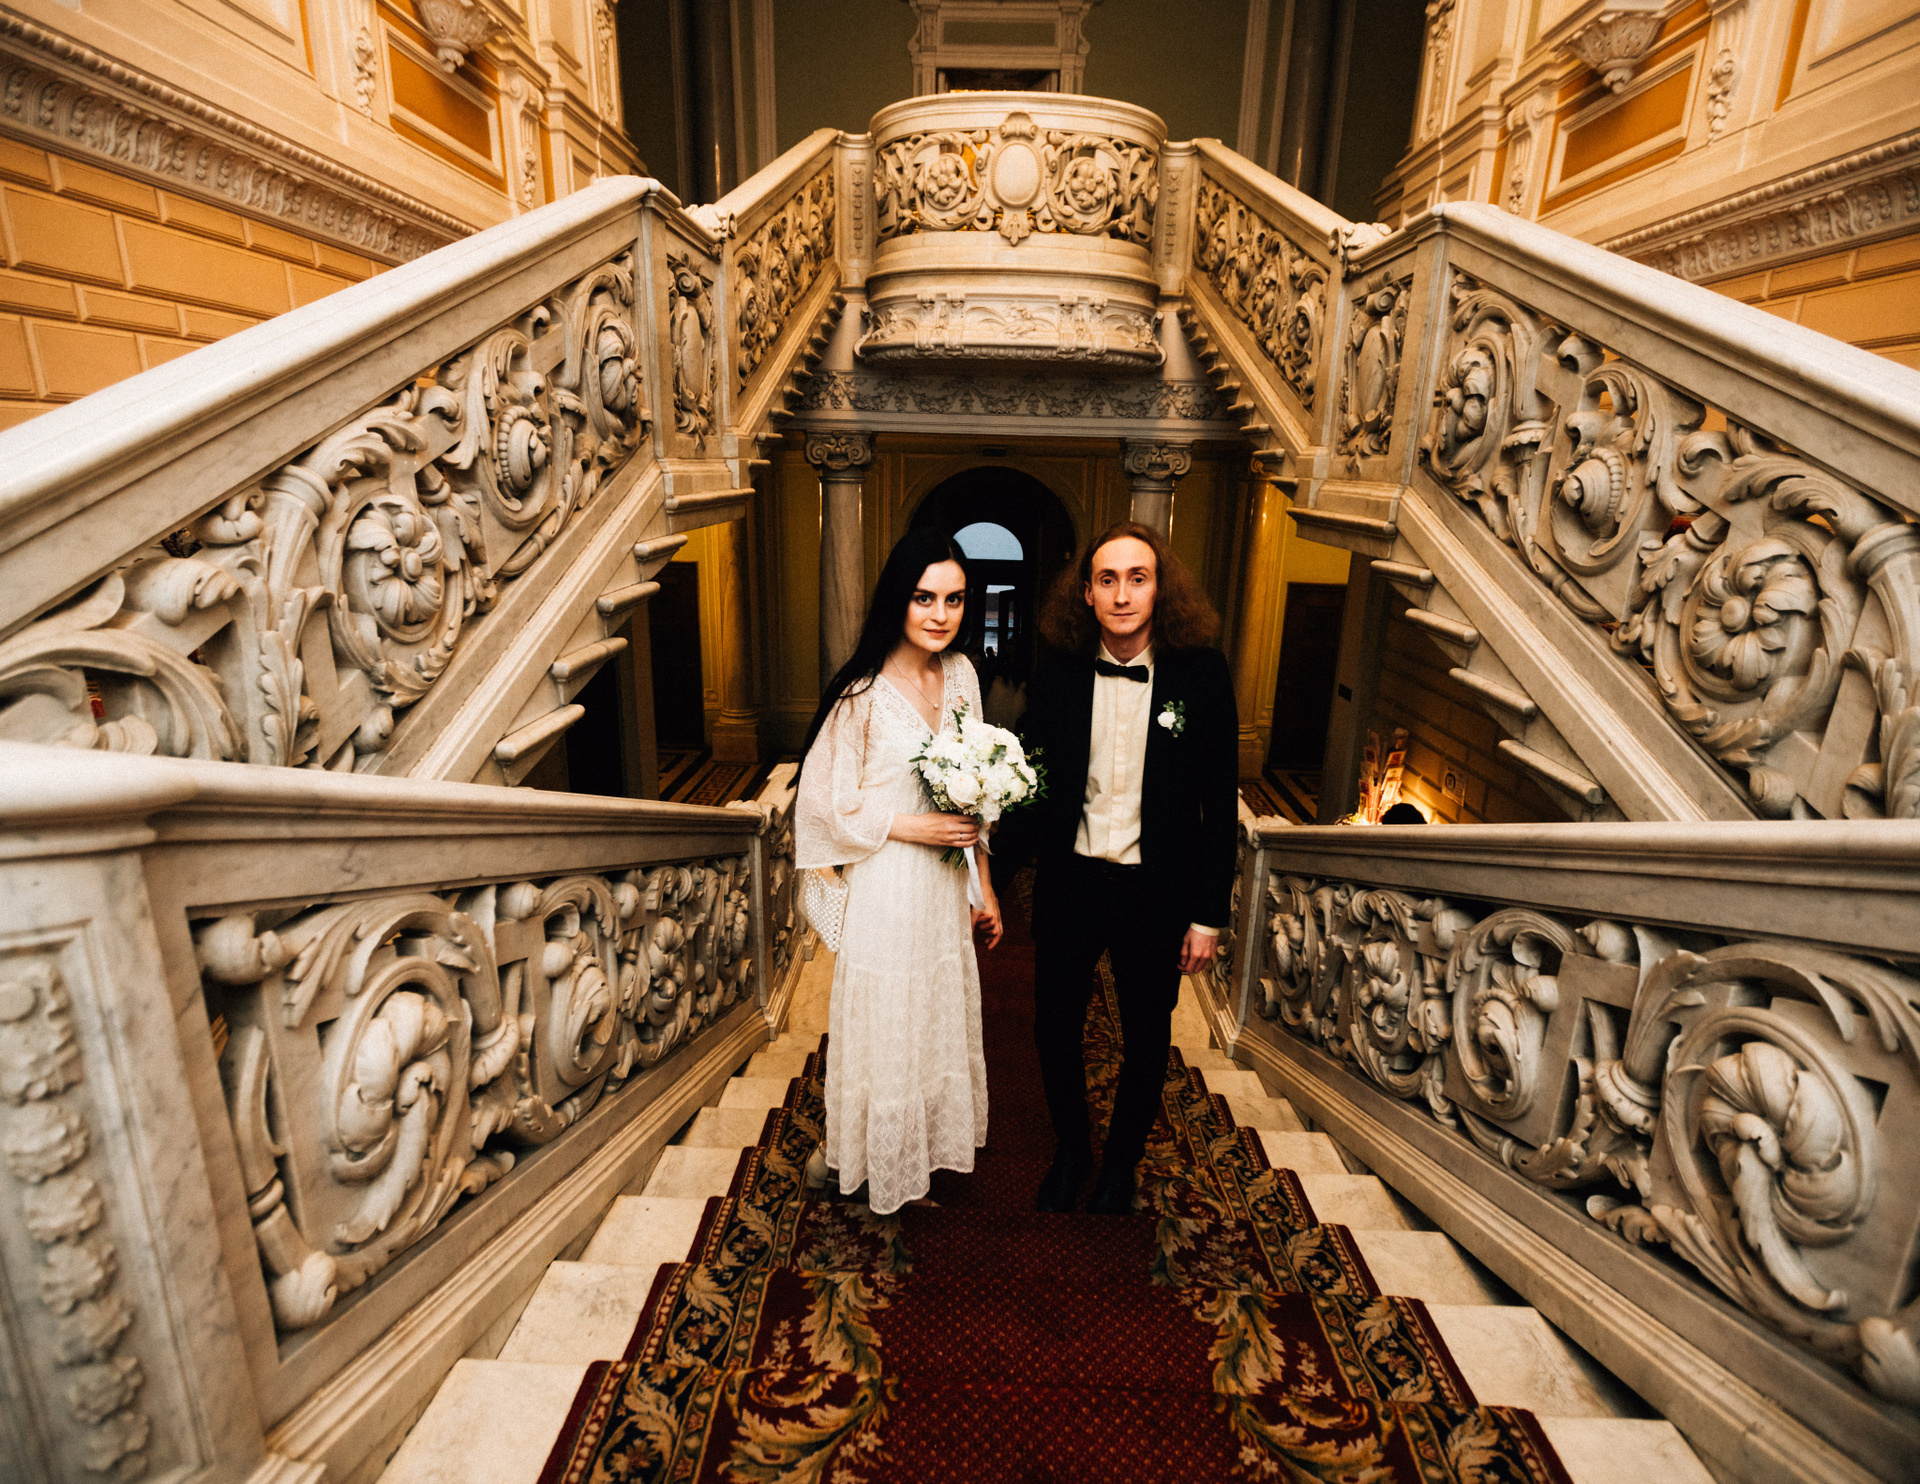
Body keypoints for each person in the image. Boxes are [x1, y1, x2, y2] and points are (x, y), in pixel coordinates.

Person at [1017, 521, 1238, 1215]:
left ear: (1159, 588)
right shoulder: (1058, 670)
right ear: (1085, 593)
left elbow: (1219, 802)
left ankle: (1121, 1163)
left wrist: (1208, 915)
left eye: (1137, 579)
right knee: (1053, 1026)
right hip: (1072, 882)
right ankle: (1072, 1150)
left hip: (1156, 891)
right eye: (1107, 580)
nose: (1121, 595)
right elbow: (1031, 783)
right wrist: (982, 875)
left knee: (1147, 1036)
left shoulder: (1202, 673)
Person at [793, 528, 1003, 1215]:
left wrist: (985, 887)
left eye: (955, 599)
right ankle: (855, 1157)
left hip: (942, 889)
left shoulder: (963, 676)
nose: (941, 614)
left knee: (928, 1019)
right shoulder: (861, 692)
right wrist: (914, 825)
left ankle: (906, 1154)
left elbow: (977, 791)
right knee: (886, 1024)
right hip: (885, 887)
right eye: (924, 598)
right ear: (898, 599)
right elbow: (822, 806)